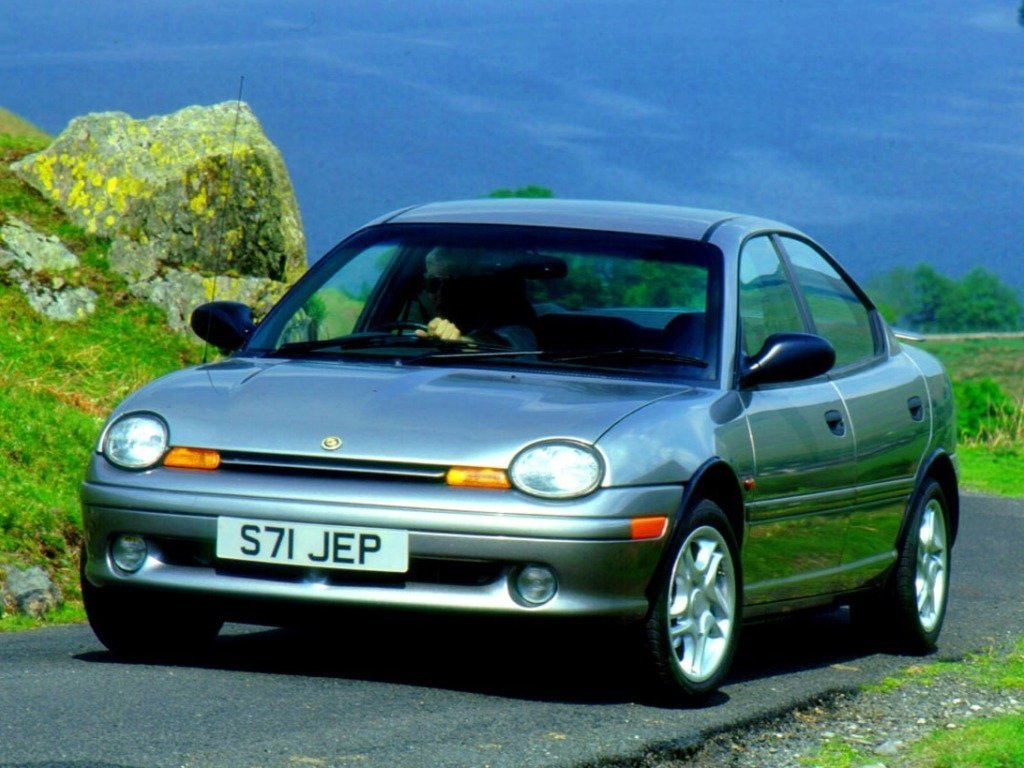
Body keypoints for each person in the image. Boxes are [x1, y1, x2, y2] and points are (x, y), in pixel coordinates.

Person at [415, 248, 538, 349]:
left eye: (453, 286)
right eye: (433, 284)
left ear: (475, 288)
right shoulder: (423, 318)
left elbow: (507, 345)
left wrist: (462, 342)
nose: (440, 295)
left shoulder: (515, 324)